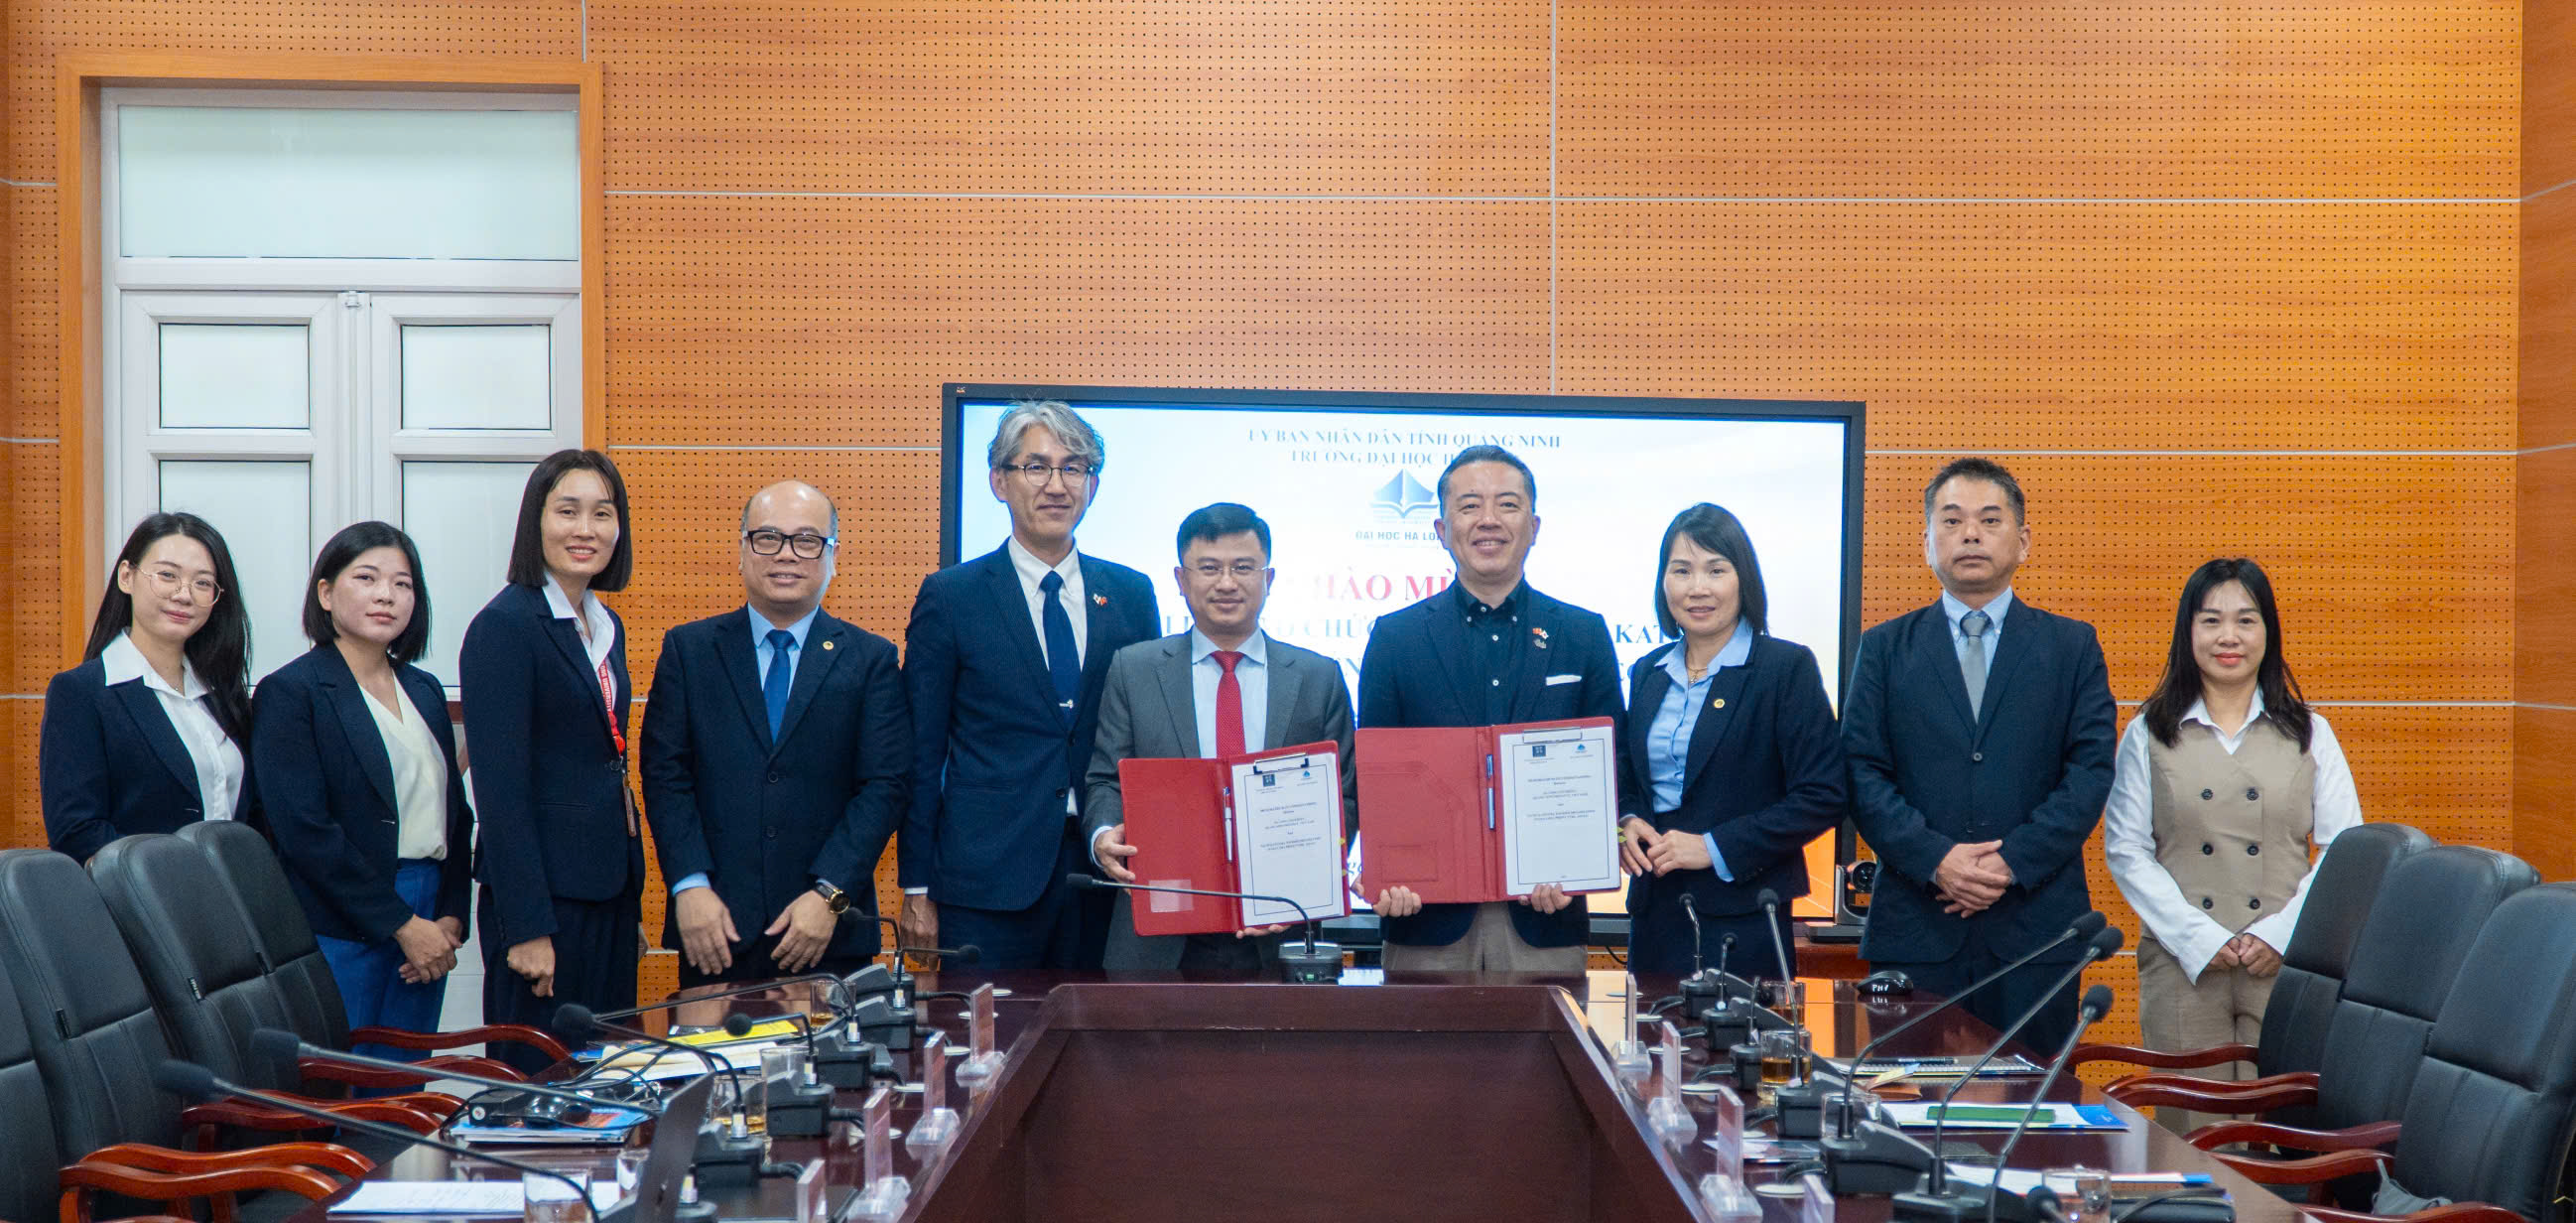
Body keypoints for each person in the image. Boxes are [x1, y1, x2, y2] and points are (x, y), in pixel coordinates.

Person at [1844, 458, 2116, 1052]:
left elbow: (2091, 770)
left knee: (2034, 1100)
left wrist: (2009, 863)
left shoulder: (2071, 645)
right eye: (1952, 520)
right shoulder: (1884, 648)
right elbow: (1862, 772)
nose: (1970, 534)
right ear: (1926, 543)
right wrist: (1936, 859)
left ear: (2023, 541)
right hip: (1916, 928)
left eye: (1990, 520)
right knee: (1906, 1099)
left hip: (2036, 932)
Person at [2104, 558, 2362, 1132]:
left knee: (2283, 1131)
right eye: (2211, 620)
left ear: (2268, 632)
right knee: (2194, 1137)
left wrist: (2279, 934)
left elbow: (2345, 849)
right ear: (2187, 632)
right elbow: (2125, 848)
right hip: (2183, 964)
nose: (2228, 637)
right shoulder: (2149, 731)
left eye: (2245, 620)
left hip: (2286, 964)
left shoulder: (2310, 731)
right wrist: (2198, 938)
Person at [900, 401, 1161, 970]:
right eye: (1036, 467)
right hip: (985, 881)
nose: (1057, 485)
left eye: (1074, 468)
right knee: (984, 1028)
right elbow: (921, 750)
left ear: (1093, 485)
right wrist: (916, 885)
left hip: (1107, 872)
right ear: (999, 481)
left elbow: (1148, 739)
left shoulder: (1131, 593)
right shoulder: (952, 596)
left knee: (1103, 1027)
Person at [1355, 445, 1622, 972]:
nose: (1489, 520)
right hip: (1425, 920)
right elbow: (1375, 779)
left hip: (1547, 917)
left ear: (1534, 526)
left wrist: (1580, 863)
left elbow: (1615, 769)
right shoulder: (1394, 638)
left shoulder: (1583, 634)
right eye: (1470, 505)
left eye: (1507, 504)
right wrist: (1386, 869)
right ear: (1441, 528)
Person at [640, 481, 908, 987]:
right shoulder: (689, 651)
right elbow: (664, 776)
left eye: (807, 540)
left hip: (829, 933)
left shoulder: (871, 659)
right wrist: (689, 886)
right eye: (768, 538)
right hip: (713, 930)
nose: (786, 554)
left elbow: (885, 787)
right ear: (742, 550)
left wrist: (830, 895)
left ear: (833, 556)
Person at [1084, 503, 1359, 973]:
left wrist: (1308, 879)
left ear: (1269, 578)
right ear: (1181, 579)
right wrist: (1102, 835)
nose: (1227, 583)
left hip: (1281, 926)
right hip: (1160, 925)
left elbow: (1344, 797)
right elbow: (1106, 780)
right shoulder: (1134, 669)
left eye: (1243, 568)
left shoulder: (1318, 677)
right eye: (1209, 568)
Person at [253, 522, 473, 1056]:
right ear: (326, 593)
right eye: (367, 578)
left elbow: (455, 814)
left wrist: (449, 918)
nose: (386, 595)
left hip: (429, 912)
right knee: (344, 1080)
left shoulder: (423, 688)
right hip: (342, 919)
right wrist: (402, 925)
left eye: (402, 584)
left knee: (407, 1079)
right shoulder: (292, 691)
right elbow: (305, 831)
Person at [461, 450, 645, 1065]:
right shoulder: (505, 626)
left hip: (605, 893)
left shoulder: (603, 624)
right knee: (538, 1086)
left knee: (605, 1078)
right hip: (544, 906)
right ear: (535, 522)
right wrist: (528, 926)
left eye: (603, 513)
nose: (585, 529)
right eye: (568, 511)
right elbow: (500, 791)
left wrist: (625, 900)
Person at [1615, 503, 1846, 979]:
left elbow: (1824, 794)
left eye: (1715, 570)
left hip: (1746, 913)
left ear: (1743, 579)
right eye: (1681, 570)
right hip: (1655, 911)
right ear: (1663, 582)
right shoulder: (1647, 672)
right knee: (1653, 1029)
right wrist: (1628, 820)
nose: (1697, 587)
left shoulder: (1784, 668)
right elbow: (1631, 780)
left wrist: (1715, 846)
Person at [42, 512, 258, 862]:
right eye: (167, 575)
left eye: (203, 583)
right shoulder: (81, 692)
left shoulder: (223, 695)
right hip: (140, 893)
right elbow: (77, 832)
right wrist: (172, 878)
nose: (184, 595)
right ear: (126, 577)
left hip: (234, 891)